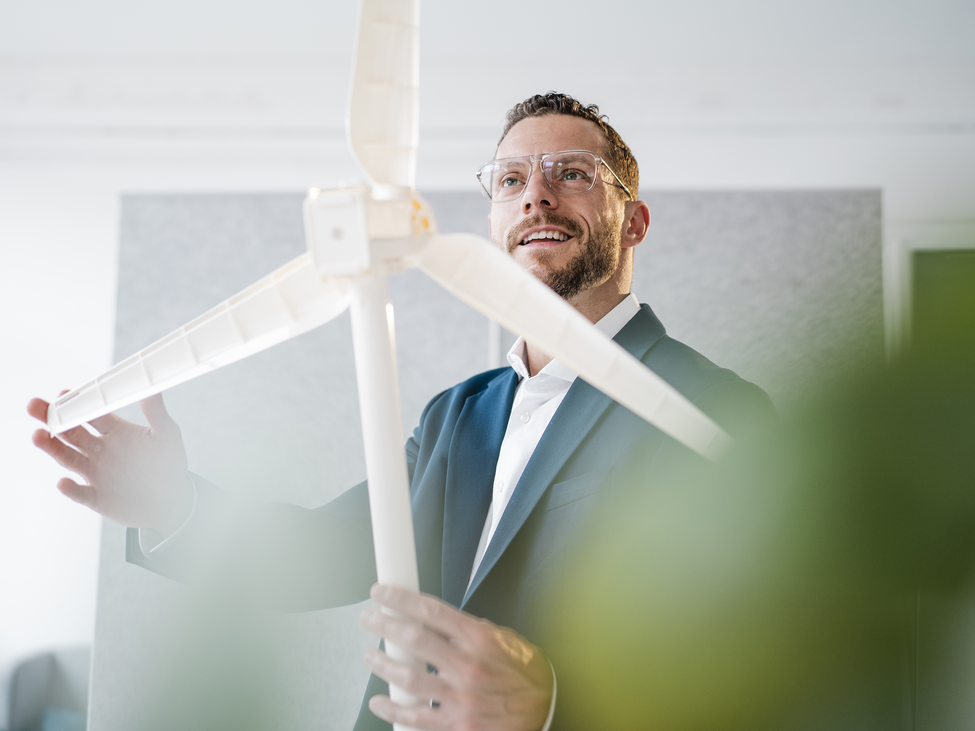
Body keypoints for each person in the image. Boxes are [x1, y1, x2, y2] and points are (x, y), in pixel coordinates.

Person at [28, 92, 774, 731]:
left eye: (570, 175)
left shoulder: (711, 408)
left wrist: (553, 706)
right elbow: (324, 552)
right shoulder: (456, 415)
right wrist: (176, 504)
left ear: (634, 222)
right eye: (510, 179)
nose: (535, 196)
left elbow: (759, 649)